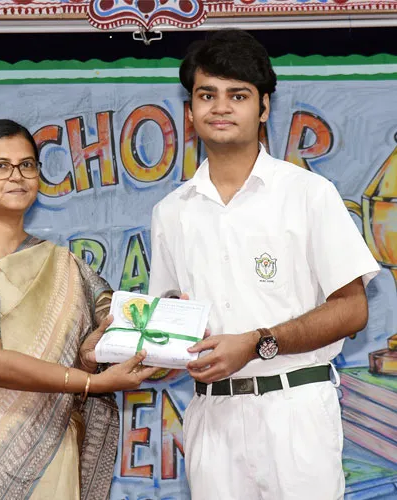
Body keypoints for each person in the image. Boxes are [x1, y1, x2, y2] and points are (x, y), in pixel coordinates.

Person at [148, 30, 380, 500]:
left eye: (238, 95)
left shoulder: (309, 194)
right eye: (207, 95)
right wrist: (131, 340)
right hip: (212, 418)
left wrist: (257, 343)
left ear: (264, 107)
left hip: (295, 410)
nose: (220, 108)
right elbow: (168, 317)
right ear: (189, 112)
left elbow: (352, 309)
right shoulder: (171, 211)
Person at [0, 119, 158, 500]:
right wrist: (90, 383)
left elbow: (93, 338)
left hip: (48, 448)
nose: (17, 175)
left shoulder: (62, 265)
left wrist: (88, 357)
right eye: (0, 166)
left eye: (27, 165)